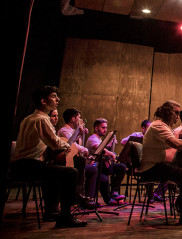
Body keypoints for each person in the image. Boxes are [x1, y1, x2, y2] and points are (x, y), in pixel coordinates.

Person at [10, 86, 87, 227]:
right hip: (29, 165)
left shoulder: (28, 118)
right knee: (71, 171)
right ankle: (65, 216)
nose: (57, 99)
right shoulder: (42, 119)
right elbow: (55, 143)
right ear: (43, 101)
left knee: (56, 170)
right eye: (53, 96)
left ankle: (52, 210)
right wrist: (69, 146)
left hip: (19, 165)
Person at [140, 100, 182, 225]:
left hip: (159, 165)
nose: (178, 117)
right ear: (168, 112)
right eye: (176, 113)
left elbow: (176, 138)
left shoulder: (164, 126)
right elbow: (175, 143)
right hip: (151, 168)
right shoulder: (158, 126)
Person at [57, 108, 97, 209]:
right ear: (72, 119)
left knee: (92, 169)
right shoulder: (64, 131)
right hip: (66, 161)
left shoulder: (73, 131)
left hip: (75, 159)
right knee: (84, 166)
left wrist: (80, 134)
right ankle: (79, 197)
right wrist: (84, 149)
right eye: (78, 118)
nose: (80, 120)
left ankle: (86, 197)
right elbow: (71, 145)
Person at [86, 118, 127, 205]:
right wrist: (112, 154)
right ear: (96, 128)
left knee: (121, 167)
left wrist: (110, 144)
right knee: (104, 179)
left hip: (101, 166)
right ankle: (108, 200)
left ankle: (114, 191)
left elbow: (103, 147)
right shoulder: (93, 138)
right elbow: (99, 149)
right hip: (93, 168)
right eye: (103, 128)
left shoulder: (99, 139)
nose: (105, 130)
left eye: (106, 128)